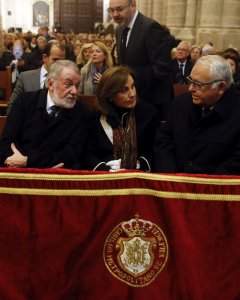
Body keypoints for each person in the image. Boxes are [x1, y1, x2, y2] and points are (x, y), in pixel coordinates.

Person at [154, 55, 240, 175]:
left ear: (220, 87)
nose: (190, 88)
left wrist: (201, 187)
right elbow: (163, 142)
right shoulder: (181, 103)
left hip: (214, 189)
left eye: (198, 84)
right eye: (190, 80)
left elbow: (235, 164)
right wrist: (172, 179)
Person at [0, 60, 91, 169]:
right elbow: (8, 143)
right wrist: (48, 162)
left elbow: (70, 156)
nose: (75, 91)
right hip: (18, 173)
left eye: (77, 85)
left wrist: (27, 161)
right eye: (68, 84)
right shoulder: (25, 101)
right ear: (51, 84)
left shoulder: (82, 113)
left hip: (56, 179)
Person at [83, 65, 160, 172]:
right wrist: (105, 169)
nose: (132, 94)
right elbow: (87, 154)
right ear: (109, 95)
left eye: (133, 86)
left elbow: (155, 151)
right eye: (124, 90)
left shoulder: (149, 114)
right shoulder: (96, 116)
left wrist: (137, 164)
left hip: (139, 177)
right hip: (103, 178)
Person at [107, 0, 174, 120]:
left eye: (119, 9)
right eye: (111, 10)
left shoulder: (150, 28)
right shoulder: (119, 30)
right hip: (130, 101)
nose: (114, 14)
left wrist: (129, 79)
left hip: (151, 103)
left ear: (133, 5)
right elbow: (124, 65)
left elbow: (163, 68)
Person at [7, 41, 66, 114]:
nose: (59, 64)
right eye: (55, 60)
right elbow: (12, 107)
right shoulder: (25, 78)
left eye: (62, 61)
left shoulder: (67, 81)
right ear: (45, 58)